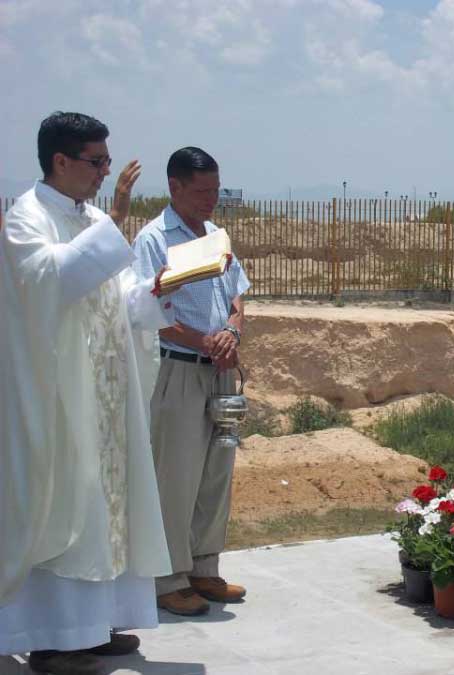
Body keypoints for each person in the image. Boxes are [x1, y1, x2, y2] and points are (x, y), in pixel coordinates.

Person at [0, 112, 174, 675]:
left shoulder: (92, 217)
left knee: (105, 510)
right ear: (61, 161)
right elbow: (47, 284)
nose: (104, 172)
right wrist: (116, 225)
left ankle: (93, 628)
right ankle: (51, 637)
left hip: (105, 395)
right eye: (96, 162)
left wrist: (156, 290)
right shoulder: (25, 218)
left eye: (105, 161)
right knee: (64, 507)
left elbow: (116, 294)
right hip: (60, 399)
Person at [133, 147, 250, 616]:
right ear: (174, 187)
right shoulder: (153, 240)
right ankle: (169, 578)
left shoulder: (217, 235)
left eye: (216, 190)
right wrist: (204, 341)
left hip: (218, 371)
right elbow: (149, 314)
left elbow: (237, 294)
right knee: (176, 477)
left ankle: (205, 568)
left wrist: (232, 332)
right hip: (178, 368)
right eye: (201, 191)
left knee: (214, 476)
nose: (211, 200)